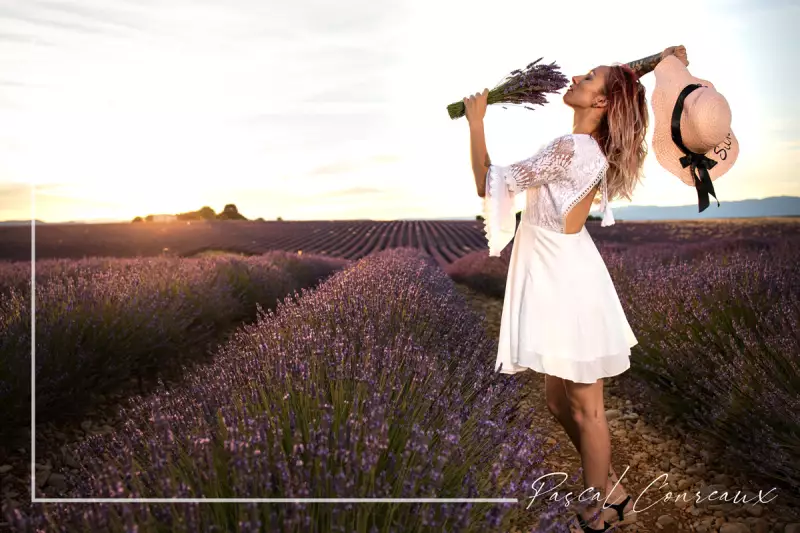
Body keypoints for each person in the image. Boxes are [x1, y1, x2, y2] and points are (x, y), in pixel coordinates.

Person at [463, 46, 689, 532]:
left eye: (589, 79)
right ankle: (609, 488)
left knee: (586, 407)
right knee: (556, 402)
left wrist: (476, 122)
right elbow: (619, 82)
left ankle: (600, 510)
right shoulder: (588, 147)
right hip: (558, 272)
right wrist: (658, 60)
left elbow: (489, 184)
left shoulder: (571, 149)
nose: (577, 78)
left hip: (565, 280)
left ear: (601, 104)